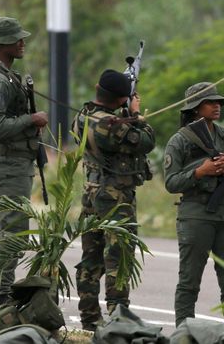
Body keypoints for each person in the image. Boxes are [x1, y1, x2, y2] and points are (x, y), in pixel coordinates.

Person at [163, 82, 224, 328]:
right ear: (195, 108)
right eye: (210, 103)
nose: (216, 106)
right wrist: (200, 172)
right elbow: (171, 182)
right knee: (189, 280)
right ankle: (184, 331)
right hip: (196, 214)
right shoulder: (180, 141)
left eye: (219, 103)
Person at [74, 69, 156, 331]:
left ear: (98, 88)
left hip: (90, 191)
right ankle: (118, 316)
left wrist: (124, 111)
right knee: (118, 256)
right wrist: (135, 115)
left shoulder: (83, 116)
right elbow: (146, 141)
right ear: (121, 99)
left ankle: (88, 316)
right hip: (115, 196)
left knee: (91, 256)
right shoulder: (114, 126)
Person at [0, 16, 48, 304]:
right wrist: (31, 119)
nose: (22, 42)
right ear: (1, 44)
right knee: (12, 235)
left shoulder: (10, 75)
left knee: (4, 234)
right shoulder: (0, 81)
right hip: (10, 166)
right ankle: (0, 299)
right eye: (16, 39)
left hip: (16, 165)